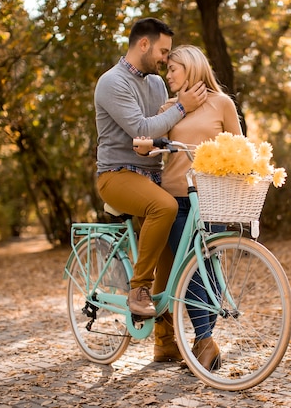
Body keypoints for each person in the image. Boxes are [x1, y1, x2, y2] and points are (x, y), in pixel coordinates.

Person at [94, 18, 207, 363]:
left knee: (169, 259)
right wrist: (182, 106)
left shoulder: (157, 84)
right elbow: (143, 129)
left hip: (151, 177)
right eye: (162, 51)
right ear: (143, 44)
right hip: (116, 175)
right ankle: (137, 288)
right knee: (164, 207)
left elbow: (172, 125)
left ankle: (164, 342)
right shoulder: (112, 83)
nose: (164, 58)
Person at [154, 45, 243, 370]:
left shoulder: (222, 103)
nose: (168, 74)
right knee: (191, 271)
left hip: (213, 200)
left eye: (173, 68)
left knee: (211, 268)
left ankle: (201, 342)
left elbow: (240, 148)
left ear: (190, 68)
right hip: (175, 200)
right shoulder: (169, 108)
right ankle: (204, 344)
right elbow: (148, 142)